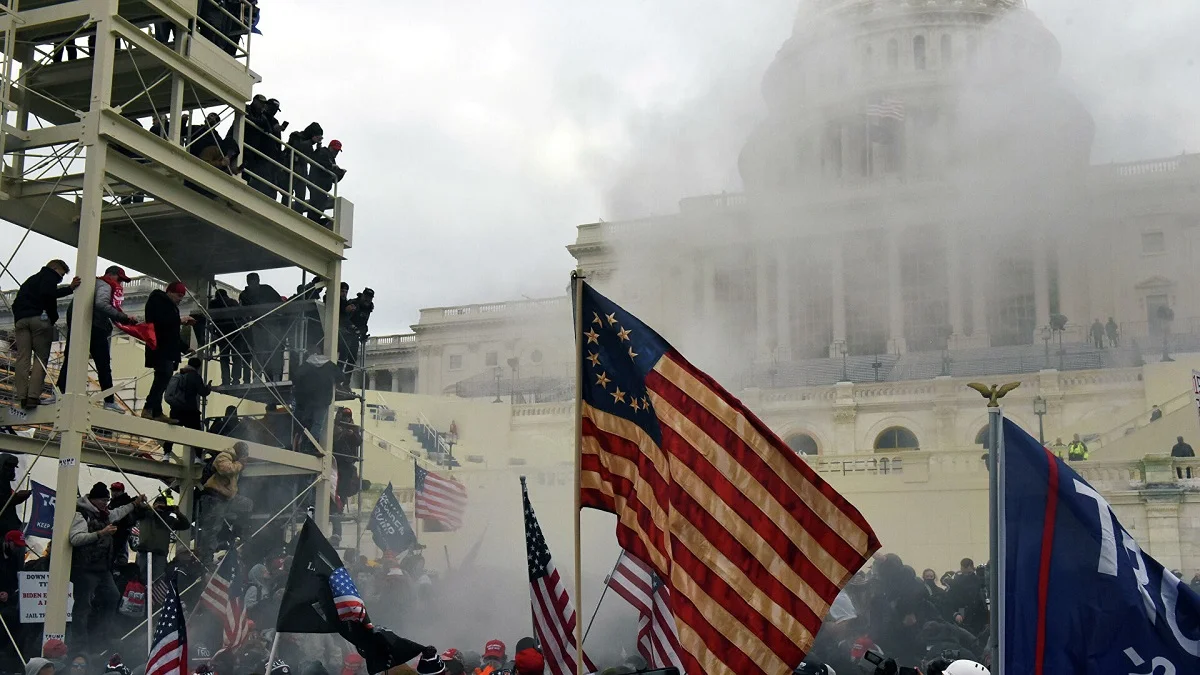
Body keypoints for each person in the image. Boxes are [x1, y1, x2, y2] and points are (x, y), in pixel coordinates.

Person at [69, 483, 145, 654]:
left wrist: (134, 503)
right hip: (85, 568)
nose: (106, 503)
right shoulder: (81, 514)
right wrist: (100, 533)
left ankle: (103, 634)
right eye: (103, 500)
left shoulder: (104, 514)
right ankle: (79, 645)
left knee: (113, 596)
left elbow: (119, 512)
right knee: (83, 606)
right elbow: (75, 538)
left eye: (107, 499)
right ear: (94, 499)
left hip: (102, 568)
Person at [56, 265, 134, 412]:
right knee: (103, 365)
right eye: (120, 279)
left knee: (70, 360)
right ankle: (109, 400)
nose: (120, 284)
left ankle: (58, 393)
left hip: (79, 327)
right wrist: (122, 317)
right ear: (112, 275)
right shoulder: (105, 286)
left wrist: (72, 326)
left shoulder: (91, 284)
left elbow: (71, 309)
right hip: (96, 329)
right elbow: (101, 304)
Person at [11, 260, 80, 409]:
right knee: (40, 358)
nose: (60, 279)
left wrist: (19, 318)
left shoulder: (30, 280)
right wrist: (53, 316)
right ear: (55, 268)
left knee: (22, 358)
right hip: (39, 320)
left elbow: (15, 304)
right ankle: (33, 397)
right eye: (61, 275)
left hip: (21, 321)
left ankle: (22, 396)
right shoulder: (49, 277)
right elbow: (48, 294)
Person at [143, 281, 194, 424]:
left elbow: (172, 333)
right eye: (178, 295)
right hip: (160, 348)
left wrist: (184, 347)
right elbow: (161, 323)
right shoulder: (157, 301)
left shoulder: (170, 306)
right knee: (163, 377)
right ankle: (149, 407)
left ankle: (156, 411)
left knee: (162, 378)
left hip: (166, 349)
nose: (180, 299)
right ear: (170, 292)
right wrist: (180, 320)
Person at [199, 442, 250, 557]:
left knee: (246, 504)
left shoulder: (234, 460)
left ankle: (239, 532)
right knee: (212, 529)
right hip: (214, 496)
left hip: (225, 498)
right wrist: (239, 464)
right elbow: (225, 469)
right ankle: (206, 558)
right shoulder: (224, 456)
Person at [164, 357, 213, 460]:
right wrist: (208, 388)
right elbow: (202, 392)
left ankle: (166, 454)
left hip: (176, 409)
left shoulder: (180, 374)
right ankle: (198, 458)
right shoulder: (195, 376)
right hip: (190, 410)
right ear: (198, 367)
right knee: (196, 434)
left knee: (172, 432)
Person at [240, 273, 285, 382]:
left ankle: (275, 376)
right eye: (252, 282)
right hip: (258, 326)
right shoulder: (244, 295)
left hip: (271, 324)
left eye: (255, 281)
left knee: (273, 351)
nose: (254, 284)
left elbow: (279, 304)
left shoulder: (266, 290)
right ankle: (257, 377)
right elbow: (243, 312)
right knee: (259, 352)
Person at [134, 494, 190, 579]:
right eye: (158, 504)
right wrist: (151, 508)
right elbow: (137, 511)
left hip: (160, 554)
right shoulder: (146, 514)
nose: (160, 507)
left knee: (158, 580)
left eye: (162, 505)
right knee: (140, 578)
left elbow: (185, 525)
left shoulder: (168, 519)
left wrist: (178, 513)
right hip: (143, 552)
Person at [209, 289, 248, 386]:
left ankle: (225, 380)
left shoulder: (213, 303)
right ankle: (236, 380)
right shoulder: (233, 302)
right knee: (237, 357)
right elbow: (240, 316)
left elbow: (212, 319)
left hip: (222, 334)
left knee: (224, 358)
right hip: (236, 333)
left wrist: (213, 337)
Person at [0, 531, 25, 674]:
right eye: (15, 545)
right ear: (7, 542)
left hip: (8, 600)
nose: (17, 548)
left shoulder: (15, 559)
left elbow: (16, 581)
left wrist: (9, 594)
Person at [285, 123, 323, 214]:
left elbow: (312, 159)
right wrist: (311, 141)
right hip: (291, 166)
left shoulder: (309, 145)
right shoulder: (296, 136)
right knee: (287, 192)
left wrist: (318, 149)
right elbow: (297, 147)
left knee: (301, 196)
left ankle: (298, 215)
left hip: (302, 171)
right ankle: (284, 211)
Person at [306, 139, 346, 225]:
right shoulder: (322, 152)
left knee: (320, 203)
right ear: (330, 147)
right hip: (316, 182)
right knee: (317, 203)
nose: (336, 152)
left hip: (322, 185)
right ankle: (312, 222)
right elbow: (320, 162)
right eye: (335, 150)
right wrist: (331, 166)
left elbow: (334, 179)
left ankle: (314, 221)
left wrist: (341, 173)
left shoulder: (331, 158)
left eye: (337, 151)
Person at [107, 482, 144, 570]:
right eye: (113, 490)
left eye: (117, 490)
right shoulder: (113, 502)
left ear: (122, 491)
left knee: (120, 558)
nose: (115, 492)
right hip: (114, 535)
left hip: (121, 534)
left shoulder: (123, 501)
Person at [0, 455, 30, 536]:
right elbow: (4, 500)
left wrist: (18, 497)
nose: (11, 470)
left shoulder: (5, 482)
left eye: (13, 467)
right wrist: (17, 497)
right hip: (4, 528)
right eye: (9, 467)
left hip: (10, 526)